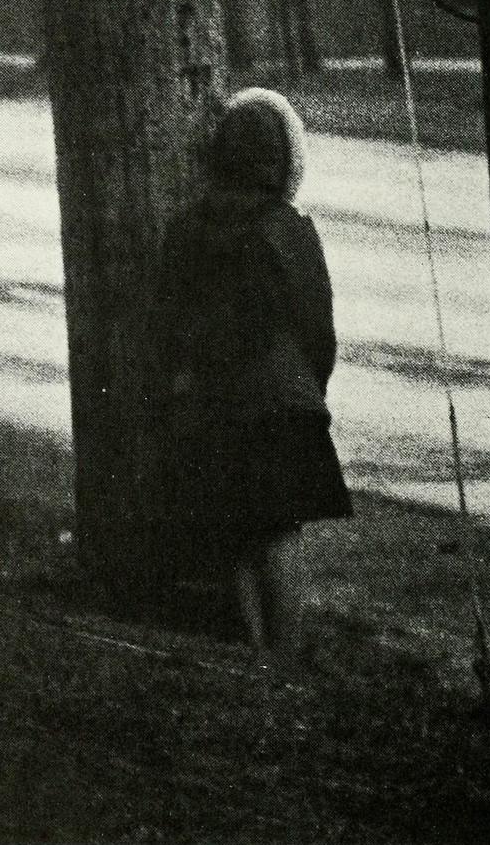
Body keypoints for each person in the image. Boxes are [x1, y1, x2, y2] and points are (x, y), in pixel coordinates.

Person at [146, 87, 352, 668]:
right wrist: (312, 385)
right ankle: (285, 652)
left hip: (210, 401)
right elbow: (317, 326)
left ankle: (256, 651)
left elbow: (167, 320)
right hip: (281, 400)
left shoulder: (186, 228)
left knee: (232, 532)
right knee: (279, 531)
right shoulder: (288, 229)